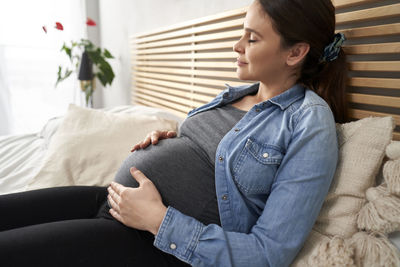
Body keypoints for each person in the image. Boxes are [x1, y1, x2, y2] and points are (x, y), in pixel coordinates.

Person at [0, 0, 348, 266]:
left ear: (296, 52)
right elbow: (208, 154)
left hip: (151, 241)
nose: (236, 46)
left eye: (252, 38)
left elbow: (268, 253)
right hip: (114, 200)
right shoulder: (239, 94)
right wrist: (172, 139)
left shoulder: (309, 122)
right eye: (242, 32)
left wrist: (158, 219)